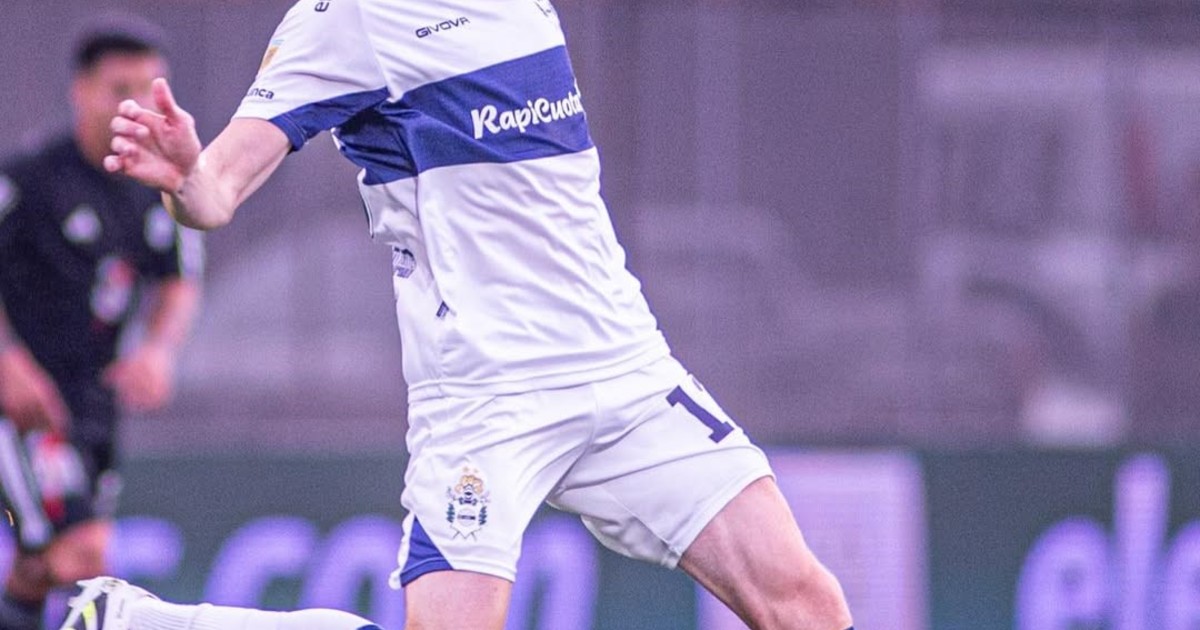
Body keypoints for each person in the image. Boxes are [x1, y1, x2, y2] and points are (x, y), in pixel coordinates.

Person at [74, 1, 855, 629]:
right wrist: (187, 178)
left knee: (809, 609)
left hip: (626, 368)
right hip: (487, 397)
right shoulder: (346, 20)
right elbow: (216, 193)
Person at [0, 12, 204, 630]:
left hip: (92, 404)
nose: (134, 104)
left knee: (38, 569)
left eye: (149, 89)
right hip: (25, 403)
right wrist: (6, 358)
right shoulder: (29, 180)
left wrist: (157, 350)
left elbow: (179, 279)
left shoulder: (155, 186)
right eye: (120, 89)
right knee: (83, 556)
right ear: (81, 91)